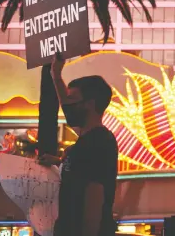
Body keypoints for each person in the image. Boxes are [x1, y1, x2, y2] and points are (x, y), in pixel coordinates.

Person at [38, 53, 118, 236]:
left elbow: (94, 197)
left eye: (73, 99)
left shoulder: (99, 141)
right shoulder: (85, 141)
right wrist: (56, 75)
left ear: (89, 104)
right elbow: (81, 171)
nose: (67, 105)